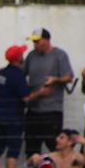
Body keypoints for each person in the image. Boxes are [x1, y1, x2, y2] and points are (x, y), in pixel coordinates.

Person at [23, 28, 74, 156]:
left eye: (37, 42)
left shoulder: (59, 55)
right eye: (33, 42)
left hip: (51, 110)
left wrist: (55, 79)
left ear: (46, 41)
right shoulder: (31, 55)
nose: (34, 45)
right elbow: (22, 73)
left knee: (54, 146)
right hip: (33, 109)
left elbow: (69, 76)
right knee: (31, 147)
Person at [0, 45, 31, 168]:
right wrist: (41, 92)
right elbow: (26, 98)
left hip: (0, 114)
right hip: (14, 116)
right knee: (13, 149)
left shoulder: (2, 73)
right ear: (19, 58)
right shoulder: (17, 75)